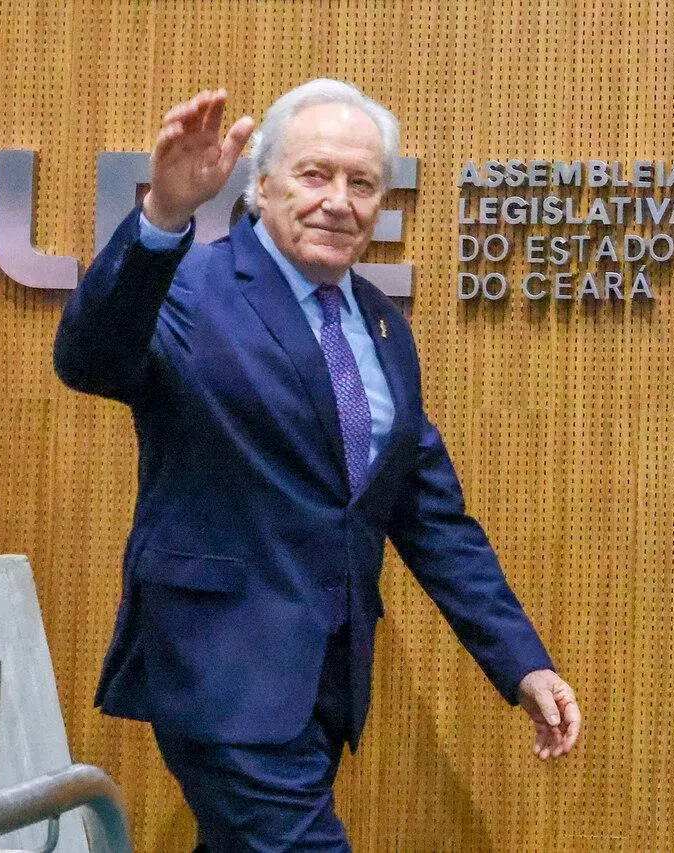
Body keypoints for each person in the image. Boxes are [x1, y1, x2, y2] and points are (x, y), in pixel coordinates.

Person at [54, 79, 580, 851]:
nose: (339, 200)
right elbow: (88, 357)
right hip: (219, 677)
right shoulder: (191, 286)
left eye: (362, 182)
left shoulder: (381, 327)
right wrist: (163, 220)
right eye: (315, 174)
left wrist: (521, 662)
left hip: (324, 688)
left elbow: (431, 517)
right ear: (261, 183)